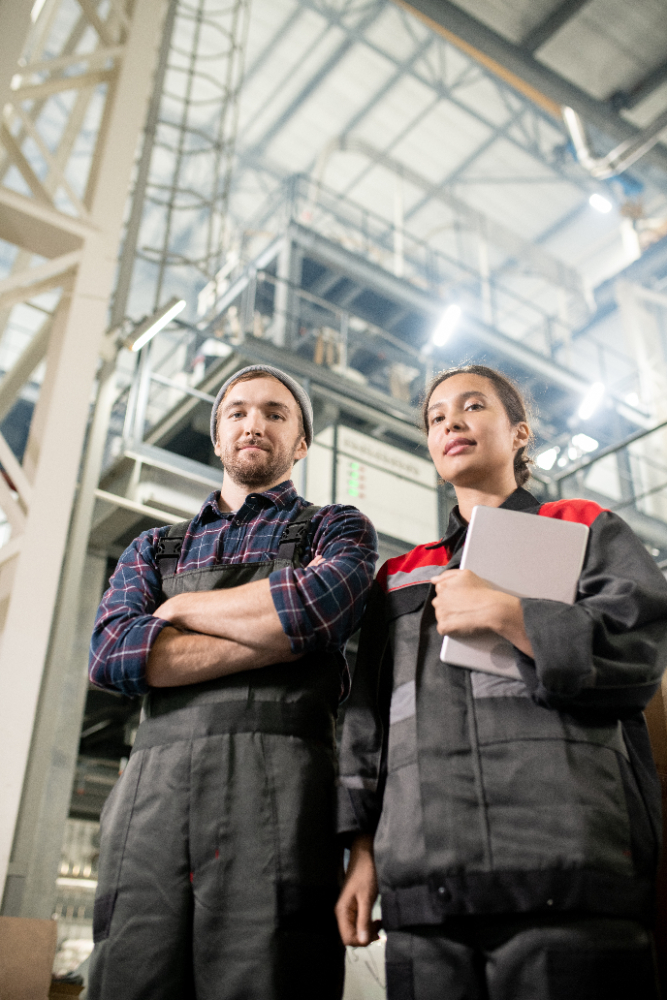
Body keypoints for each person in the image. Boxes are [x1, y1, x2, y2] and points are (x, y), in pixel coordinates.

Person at [335, 364, 667, 1000]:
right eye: (435, 417)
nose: (450, 422)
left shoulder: (582, 526)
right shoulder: (403, 577)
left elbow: (637, 650)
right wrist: (362, 854)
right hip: (425, 886)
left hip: (568, 872)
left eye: (472, 407)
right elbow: (365, 723)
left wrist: (511, 615)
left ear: (519, 434)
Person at [87, 364, 378, 1000]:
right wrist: (271, 636)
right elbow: (113, 654)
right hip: (152, 800)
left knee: (268, 973)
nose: (255, 423)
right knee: (131, 975)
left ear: (301, 444)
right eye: (238, 411)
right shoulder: (154, 549)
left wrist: (179, 613)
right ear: (218, 436)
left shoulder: (335, 528)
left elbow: (316, 610)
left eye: (276, 414)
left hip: (280, 792)